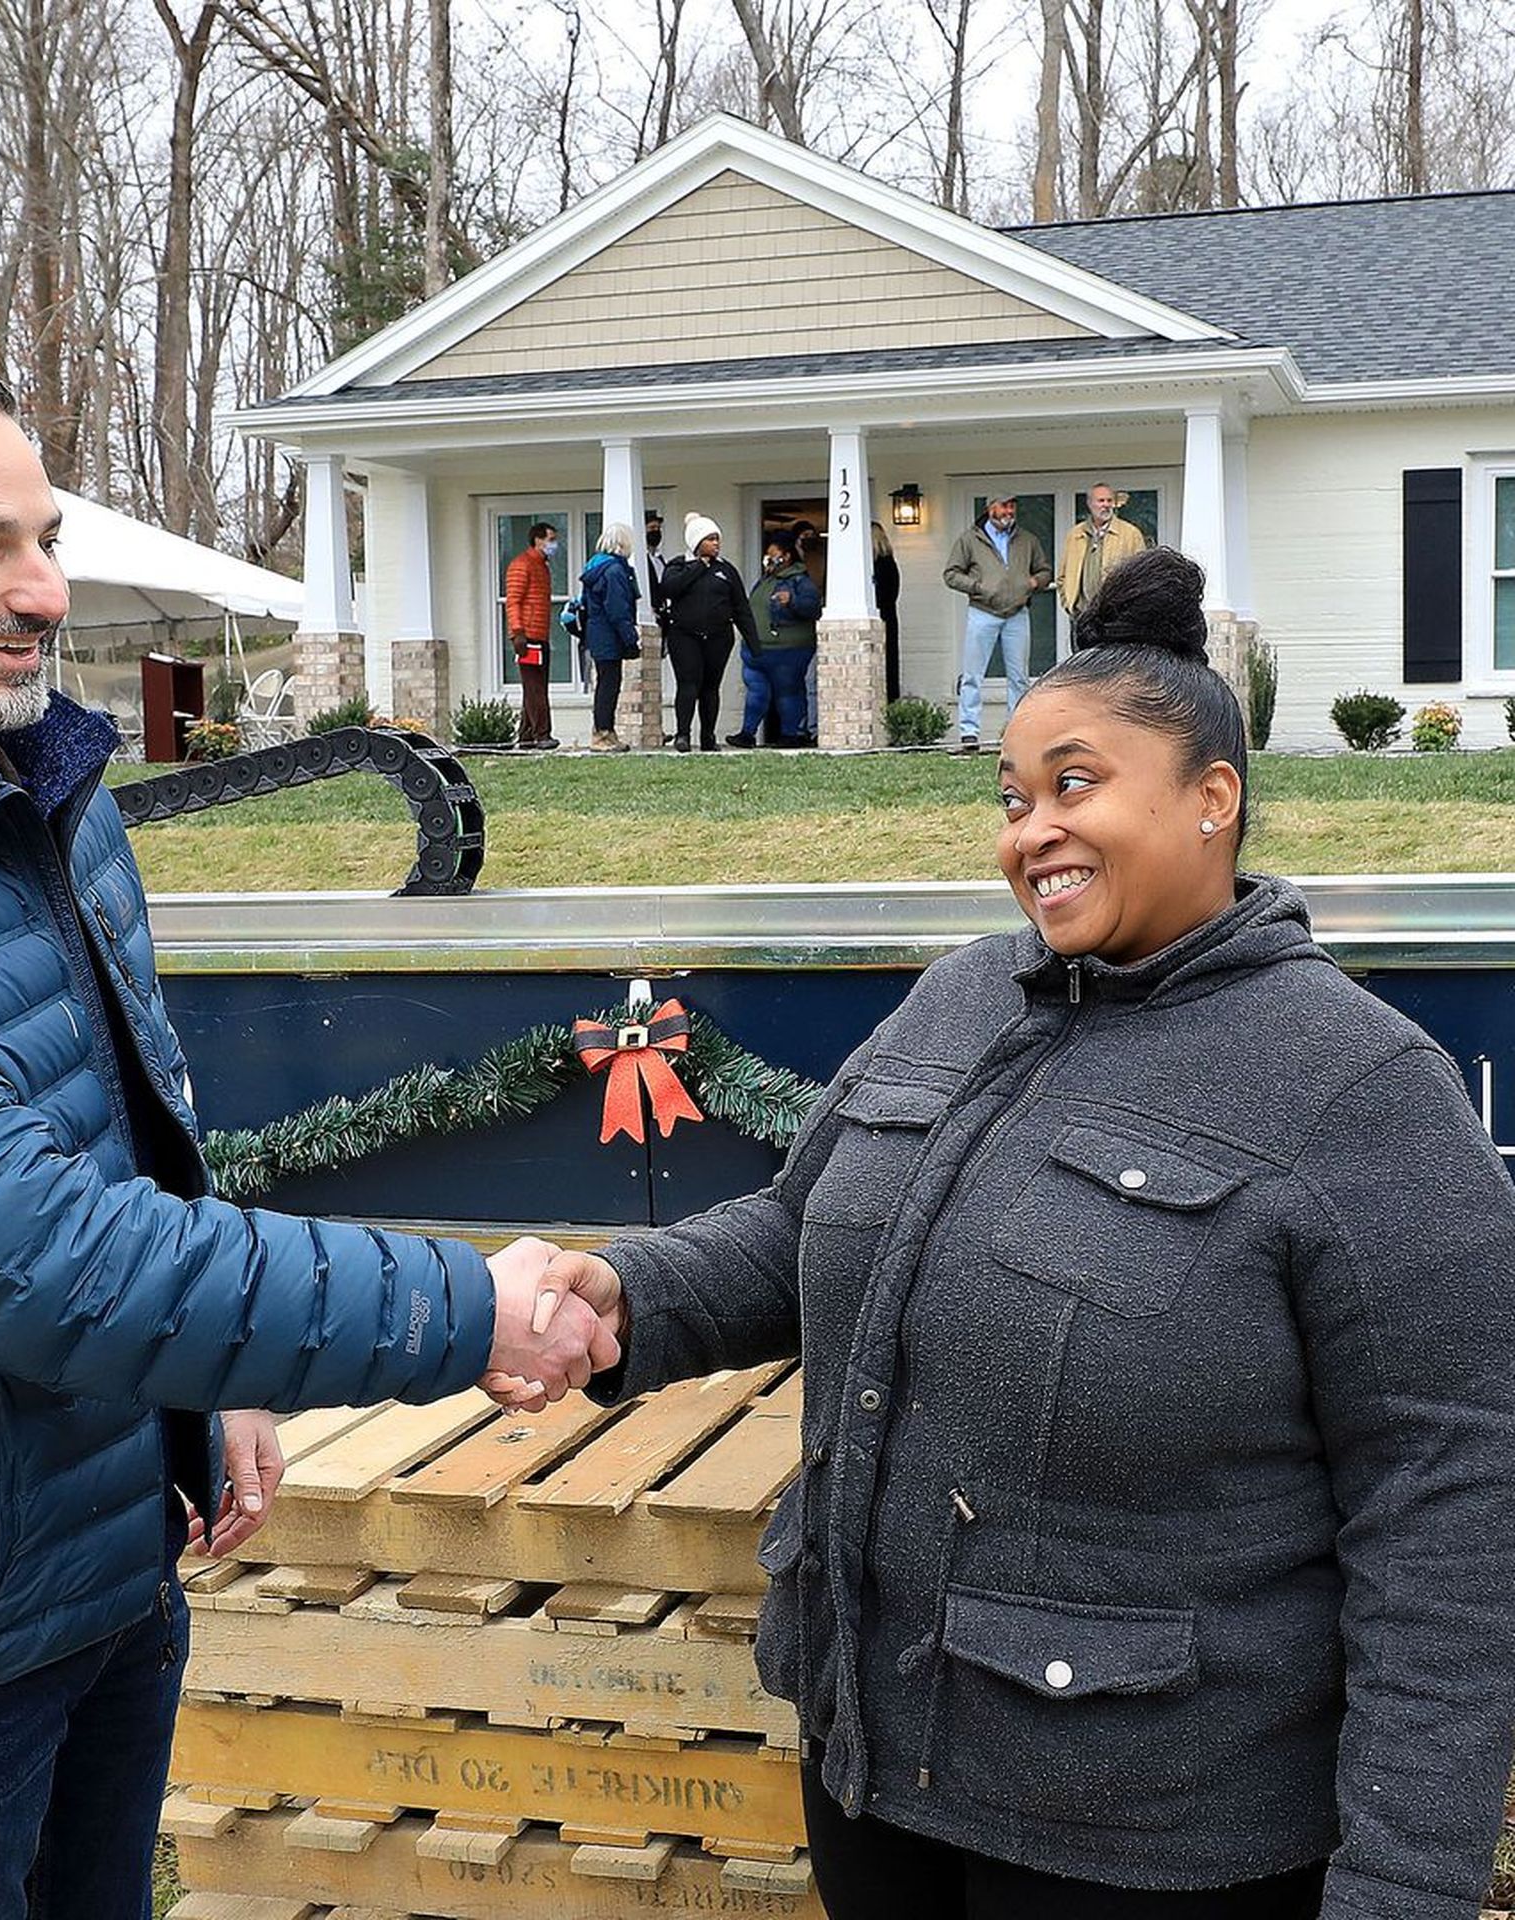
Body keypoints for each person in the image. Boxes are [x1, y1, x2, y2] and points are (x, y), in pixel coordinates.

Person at [0, 334, 612, 1920]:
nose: (43, 589)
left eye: (46, 534)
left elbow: (128, 1131)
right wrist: (467, 1305)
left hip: (97, 1562)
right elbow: (51, 1259)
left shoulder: (32, 791)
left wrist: (213, 1391)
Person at [507, 546, 1515, 1920]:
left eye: (1076, 785)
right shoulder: (964, 994)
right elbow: (804, 1227)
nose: (1028, 830)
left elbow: (1451, 1507)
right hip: (879, 1772)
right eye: (1011, 797)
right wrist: (623, 1291)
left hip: (1156, 1839)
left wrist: (1403, 1887)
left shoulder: (1357, 1086)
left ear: (1213, 799)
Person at [943, 493, 1052, 750]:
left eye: (1012, 506)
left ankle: (1016, 733)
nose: (1008, 511)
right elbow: (951, 574)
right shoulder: (970, 540)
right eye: (1003, 505)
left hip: (1017, 614)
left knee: (1018, 678)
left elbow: (1044, 569)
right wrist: (978, 587)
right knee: (972, 675)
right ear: (990, 508)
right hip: (982, 613)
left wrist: (1034, 582)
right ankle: (969, 734)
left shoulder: (1027, 540)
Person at [659, 513, 759, 753]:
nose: (716, 543)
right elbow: (670, 589)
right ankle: (683, 734)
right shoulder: (678, 565)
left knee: (710, 687)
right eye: (710, 539)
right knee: (688, 684)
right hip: (684, 636)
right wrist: (699, 566)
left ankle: (708, 737)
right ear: (696, 541)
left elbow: (741, 607)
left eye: (717, 539)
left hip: (718, 637)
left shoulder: (726, 570)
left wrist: (754, 641)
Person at [730, 531, 819, 748]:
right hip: (757, 650)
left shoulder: (801, 580)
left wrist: (792, 601)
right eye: (767, 556)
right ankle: (747, 733)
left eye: (774, 555)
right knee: (756, 691)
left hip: (787, 650)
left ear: (787, 556)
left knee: (788, 692)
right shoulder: (766, 579)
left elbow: (813, 607)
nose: (769, 559)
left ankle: (792, 734)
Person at [579, 522, 640, 752]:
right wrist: (630, 638)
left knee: (606, 683)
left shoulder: (595, 566)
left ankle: (606, 731)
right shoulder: (614, 571)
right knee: (609, 685)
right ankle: (602, 733)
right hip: (609, 635)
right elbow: (618, 609)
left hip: (597, 633)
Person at [1059, 481, 1148, 633]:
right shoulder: (1074, 535)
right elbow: (1062, 577)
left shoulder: (1130, 534)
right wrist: (1069, 605)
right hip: (1082, 616)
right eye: (1101, 501)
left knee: (1114, 657)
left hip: (1116, 617)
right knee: (1083, 657)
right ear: (1089, 504)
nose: (1106, 505)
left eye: (1109, 501)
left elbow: (1143, 577)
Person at [504, 520, 561, 751]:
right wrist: (518, 633)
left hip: (539, 635)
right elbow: (513, 601)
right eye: (551, 539)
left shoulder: (542, 566)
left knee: (535, 686)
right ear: (537, 540)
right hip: (527, 636)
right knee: (535, 687)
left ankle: (527, 735)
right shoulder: (522, 565)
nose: (554, 544)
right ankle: (542, 734)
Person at [872, 518, 902, 704]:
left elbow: (885, 595)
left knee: (885, 663)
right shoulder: (890, 564)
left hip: (882, 618)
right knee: (889, 664)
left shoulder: (881, 565)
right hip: (888, 618)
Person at [644, 510, 672, 640]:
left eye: (658, 528)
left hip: (663, 615)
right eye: (652, 528)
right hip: (650, 616)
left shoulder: (659, 559)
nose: (656, 531)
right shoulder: (641, 559)